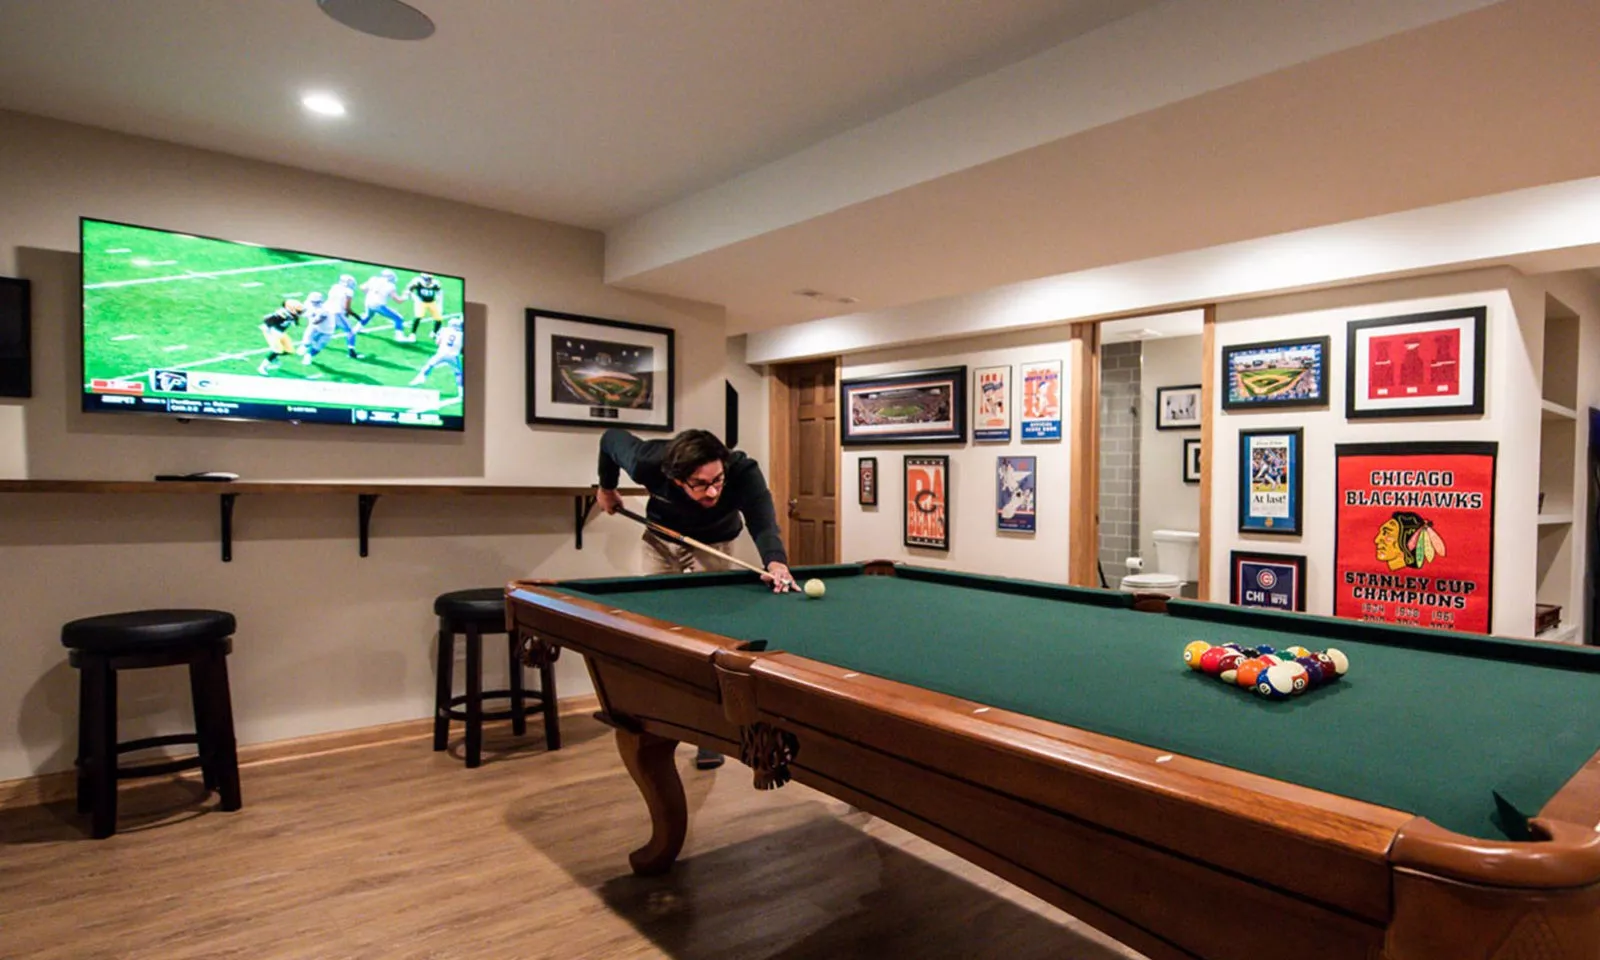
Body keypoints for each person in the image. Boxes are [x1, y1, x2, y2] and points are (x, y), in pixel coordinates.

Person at [595, 427, 795, 770]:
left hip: (713, 546)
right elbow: (610, 439)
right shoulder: (648, 462)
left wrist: (775, 561)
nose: (713, 490)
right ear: (675, 478)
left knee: (708, 637)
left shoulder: (743, 472)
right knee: (655, 630)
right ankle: (656, 719)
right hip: (660, 541)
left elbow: (763, 522)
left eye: (717, 480)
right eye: (700, 484)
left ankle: (709, 733)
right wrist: (607, 486)